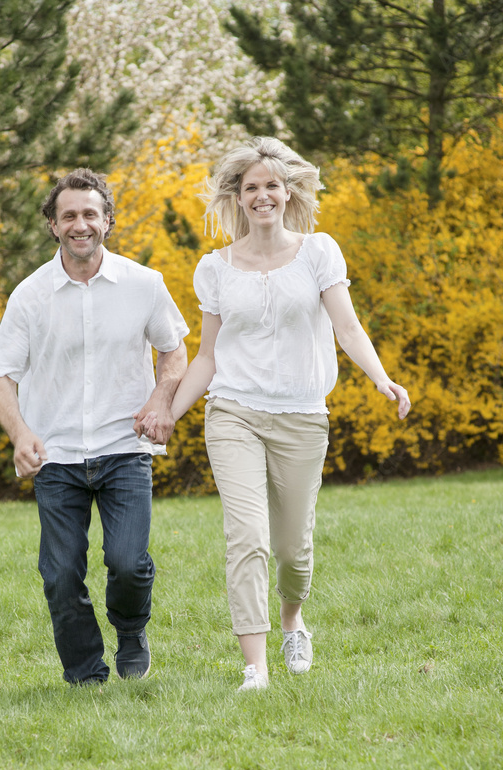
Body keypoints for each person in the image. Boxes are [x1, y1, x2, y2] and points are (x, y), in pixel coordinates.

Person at [140, 137, 411, 692]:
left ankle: (293, 622)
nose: (261, 196)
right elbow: (209, 357)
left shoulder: (318, 252)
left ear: (288, 193)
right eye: (250, 188)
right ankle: (255, 668)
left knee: (293, 547)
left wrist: (381, 377)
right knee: (247, 537)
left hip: (301, 414)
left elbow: (347, 328)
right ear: (236, 198)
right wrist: (167, 409)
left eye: (271, 186)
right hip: (233, 412)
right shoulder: (214, 268)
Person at [0, 168, 188, 686]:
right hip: (58, 457)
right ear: (53, 225)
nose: (80, 224)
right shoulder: (30, 295)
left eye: (90, 214)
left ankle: (131, 629)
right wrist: (20, 434)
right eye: (69, 215)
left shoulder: (145, 284)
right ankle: (86, 674)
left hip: (125, 448)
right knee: (60, 574)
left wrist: (162, 399)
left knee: (127, 563)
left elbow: (174, 349)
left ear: (107, 221)